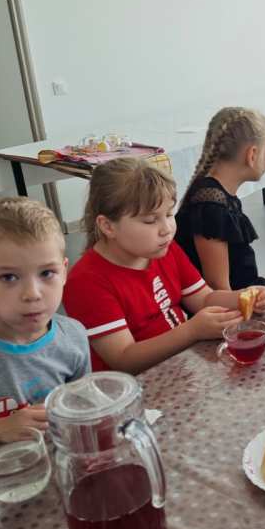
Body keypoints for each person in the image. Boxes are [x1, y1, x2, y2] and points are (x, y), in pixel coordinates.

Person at [64, 158, 253, 374]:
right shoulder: (86, 282)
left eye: (169, 214)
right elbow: (124, 359)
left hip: (181, 365)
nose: (167, 229)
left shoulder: (163, 249)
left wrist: (244, 297)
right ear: (108, 226)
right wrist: (192, 331)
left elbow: (204, 299)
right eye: (150, 220)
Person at [0, 198, 90, 453]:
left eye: (47, 273)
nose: (32, 294)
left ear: (64, 272)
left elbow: (81, 412)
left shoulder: (74, 336)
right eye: (9, 277)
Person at [175, 107, 265, 304]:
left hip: (245, 295)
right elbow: (217, 286)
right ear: (252, 154)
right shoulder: (210, 205)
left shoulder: (219, 195)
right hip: (233, 304)